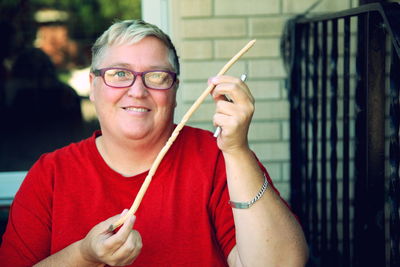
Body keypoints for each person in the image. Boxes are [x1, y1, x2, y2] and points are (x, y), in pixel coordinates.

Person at [0, 20, 308, 266]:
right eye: (119, 73)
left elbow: (284, 262)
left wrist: (237, 150)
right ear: (92, 87)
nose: (137, 91)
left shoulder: (219, 158)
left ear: (174, 91)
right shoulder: (50, 175)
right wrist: (83, 255)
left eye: (157, 76)